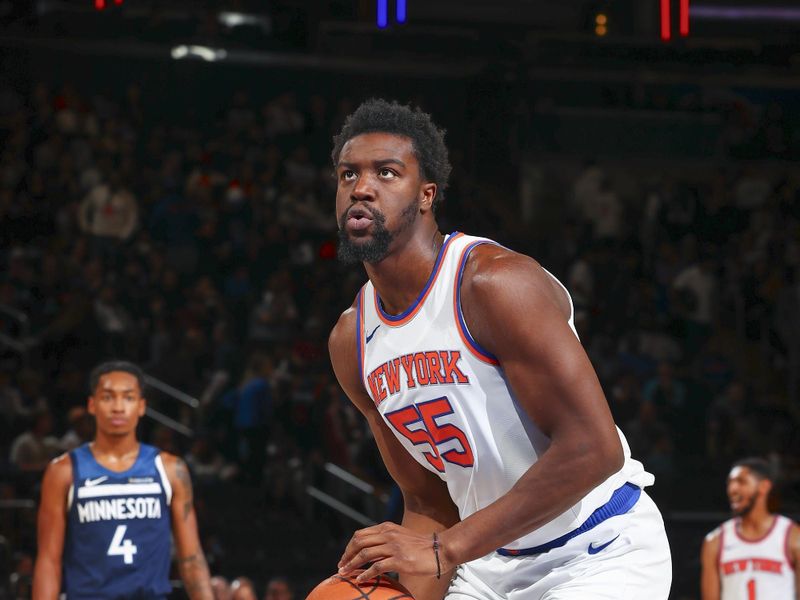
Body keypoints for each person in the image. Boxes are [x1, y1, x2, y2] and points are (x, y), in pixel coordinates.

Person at [328, 99, 672, 600]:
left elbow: (593, 448)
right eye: (347, 175)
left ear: (426, 195)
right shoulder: (351, 341)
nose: (361, 188)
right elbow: (428, 500)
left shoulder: (493, 284)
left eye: (386, 173)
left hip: (596, 551)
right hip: (489, 566)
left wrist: (444, 551)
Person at [32, 360, 214, 599]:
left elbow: (191, 558)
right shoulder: (63, 471)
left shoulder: (170, 469)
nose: (118, 407)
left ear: (141, 406)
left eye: (128, 398)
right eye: (108, 397)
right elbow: (48, 561)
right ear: (92, 405)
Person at [700, 457, 800, 600]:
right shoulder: (715, 541)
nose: (732, 489)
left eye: (741, 482)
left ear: (764, 486)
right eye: (730, 483)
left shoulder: (792, 536)